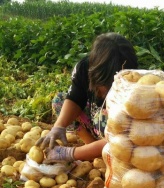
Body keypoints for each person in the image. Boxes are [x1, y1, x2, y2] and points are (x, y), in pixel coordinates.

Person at [37, 32, 138, 162]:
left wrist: (69, 153)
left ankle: (95, 151)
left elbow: (122, 138)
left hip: (115, 136)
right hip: (94, 124)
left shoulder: (134, 86)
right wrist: (59, 126)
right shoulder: (85, 67)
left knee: (105, 120)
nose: (108, 90)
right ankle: (91, 147)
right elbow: (75, 97)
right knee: (60, 101)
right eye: (105, 83)